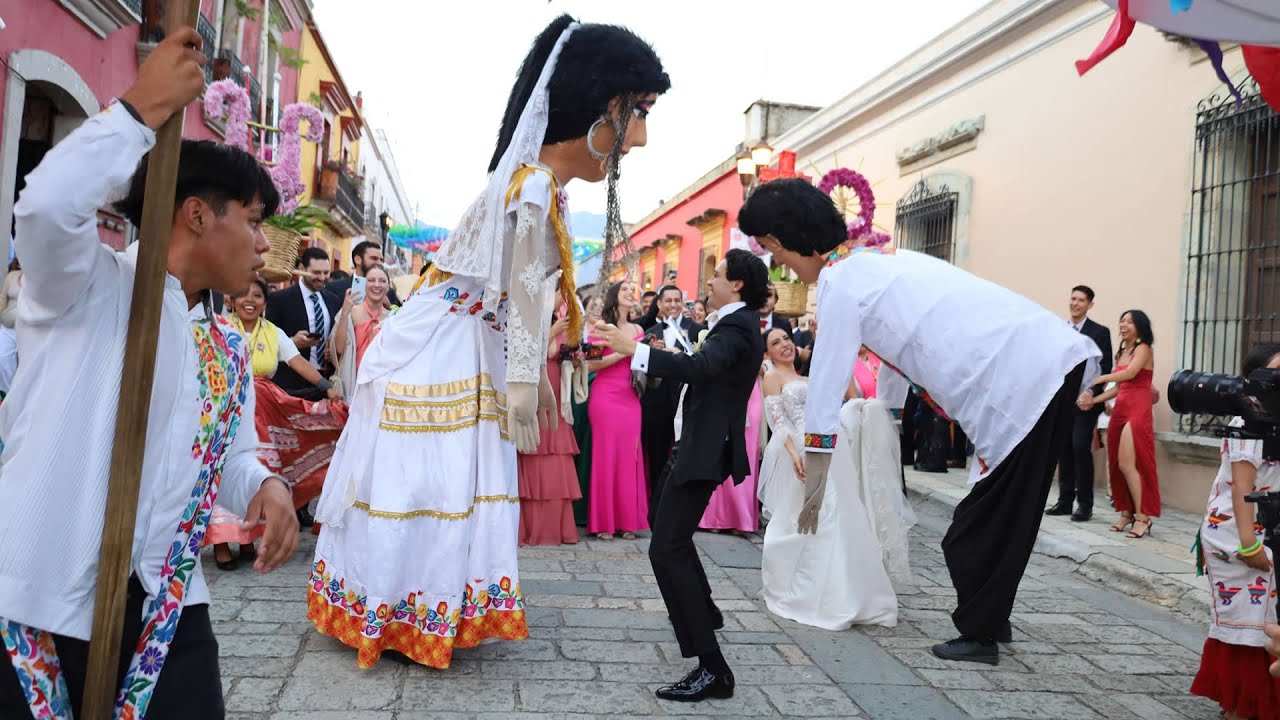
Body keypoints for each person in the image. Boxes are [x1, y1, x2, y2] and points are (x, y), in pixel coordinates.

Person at [307, 14, 669, 669]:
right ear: (597, 110)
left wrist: (527, 380)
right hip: (441, 350)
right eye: (637, 113)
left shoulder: (536, 186)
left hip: (457, 344)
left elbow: (524, 297)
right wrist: (526, 384)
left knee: (436, 484)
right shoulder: (530, 186)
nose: (640, 138)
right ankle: (400, 617)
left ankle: (410, 615)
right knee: (430, 484)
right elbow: (527, 291)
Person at [0, 31, 298, 719]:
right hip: (36, 597)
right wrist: (138, 112)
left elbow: (231, 458)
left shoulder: (227, 345)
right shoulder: (84, 287)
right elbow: (46, 207)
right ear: (197, 214)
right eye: (253, 222)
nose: (264, 246)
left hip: (167, 613)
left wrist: (268, 485)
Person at [741, 178, 1100, 667]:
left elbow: (826, 385)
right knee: (1011, 511)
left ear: (781, 241)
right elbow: (900, 359)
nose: (775, 263)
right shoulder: (878, 263)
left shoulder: (842, 281)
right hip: (1047, 363)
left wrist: (817, 476)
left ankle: (980, 634)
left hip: (1026, 379)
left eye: (769, 249)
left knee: (974, 529)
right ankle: (991, 619)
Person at [594, 248, 768, 702]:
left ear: (737, 286)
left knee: (666, 549)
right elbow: (703, 367)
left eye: (719, 275)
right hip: (696, 446)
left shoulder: (737, 325)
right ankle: (703, 613)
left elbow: (701, 368)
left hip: (704, 452)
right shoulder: (735, 323)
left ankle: (713, 667)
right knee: (668, 534)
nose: (709, 282)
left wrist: (636, 350)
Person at [759, 329, 915, 630]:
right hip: (805, 448)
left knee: (844, 511)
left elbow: (846, 401)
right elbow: (777, 423)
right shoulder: (772, 377)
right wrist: (794, 454)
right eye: (775, 343)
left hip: (834, 444)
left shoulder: (811, 376)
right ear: (768, 353)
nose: (784, 345)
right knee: (817, 514)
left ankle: (852, 589)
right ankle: (819, 589)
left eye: (786, 340)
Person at [206, 277, 343, 570]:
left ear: (265, 303)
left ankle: (245, 538)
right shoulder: (217, 328)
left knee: (257, 472)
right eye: (243, 294)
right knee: (223, 470)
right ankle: (220, 542)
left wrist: (326, 387)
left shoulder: (273, 333)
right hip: (224, 409)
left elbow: (298, 363)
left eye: (257, 295)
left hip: (263, 411)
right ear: (231, 299)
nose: (250, 300)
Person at [1190, 343, 1280, 720]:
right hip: (1238, 530)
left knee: (1266, 619)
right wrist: (1249, 546)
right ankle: (1242, 705)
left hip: (1267, 524)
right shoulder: (1248, 421)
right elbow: (1244, 488)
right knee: (1251, 622)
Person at [1079, 310, 1160, 539]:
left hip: (1137, 409)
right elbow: (1118, 388)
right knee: (1116, 463)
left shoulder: (1143, 349)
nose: (1123, 325)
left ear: (1140, 327)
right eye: (1122, 320)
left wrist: (1101, 377)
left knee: (1128, 464)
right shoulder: (1121, 352)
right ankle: (1126, 512)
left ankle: (1143, 517)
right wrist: (1093, 400)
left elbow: (1131, 374)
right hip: (1121, 408)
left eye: (1129, 322)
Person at [586, 280, 649, 540]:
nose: (630, 293)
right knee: (606, 456)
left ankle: (627, 522)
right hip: (605, 396)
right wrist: (624, 352)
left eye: (632, 290)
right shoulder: (602, 327)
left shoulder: (638, 328)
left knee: (629, 456)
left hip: (630, 396)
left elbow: (642, 364)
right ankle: (603, 523)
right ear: (615, 295)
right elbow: (591, 364)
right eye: (625, 290)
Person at [1046, 285, 1112, 522]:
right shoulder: (1060, 330)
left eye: (1081, 300)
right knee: (1063, 449)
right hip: (1062, 401)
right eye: (1073, 299)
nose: (1075, 303)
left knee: (1080, 447)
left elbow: (1105, 368)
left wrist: (1092, 392)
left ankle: (1084, 504)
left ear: (1089, 305)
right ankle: (1065, 501)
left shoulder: (1100, 332)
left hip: (1086, 401)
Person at [517, 308, 582, 545]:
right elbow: (524, 358)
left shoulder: (564, 324)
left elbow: (561, 355)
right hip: (534, 394)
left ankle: (558, 527)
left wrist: (575, 359)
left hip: (557, 399)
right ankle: (532, 529)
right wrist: (551, 332)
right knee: (533, 456)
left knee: (557, 462)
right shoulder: (527, 318)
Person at [640, 284, 704, 521]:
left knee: (684, 452)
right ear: (659, 304)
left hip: (686, 400)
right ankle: (657, 508)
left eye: (677, 300)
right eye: (668, 301)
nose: (673, 305)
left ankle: (682, 509)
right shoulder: (650, 332)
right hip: (656, 401)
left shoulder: (698, 331)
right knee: (656, 453)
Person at [266, 246, 342, 399]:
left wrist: (330, 351)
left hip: (324, 384)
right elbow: (267, 340)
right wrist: (293, 342)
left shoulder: (333, 300)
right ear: (302, 268)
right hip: (290, 384)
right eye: (316, 273)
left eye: (326, 273)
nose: (322, 277)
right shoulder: (280, 299)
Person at [330, 263, 393, 399]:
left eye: (382, 281)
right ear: (364, 284)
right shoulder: (351, 312)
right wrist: (345, 314)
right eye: (371, 280)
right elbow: (338, 350)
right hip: (353, 382)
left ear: (388, 286)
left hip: (382, 386)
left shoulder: (392, 318)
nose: (377, 285)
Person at [573, 293, 604, 526]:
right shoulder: (577, 331)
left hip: (600, 389)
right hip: (577, 390)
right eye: (593, 305)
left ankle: (587, 507)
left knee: (591, 448)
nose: (597, 309)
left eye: (601, 307)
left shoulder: (607, 331)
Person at [327, 239, 402, 307]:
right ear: (358, 260)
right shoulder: (334, 288)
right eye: (374, 258)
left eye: (381, 260)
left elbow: (400, 317)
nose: (379, 263)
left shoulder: (389, 293)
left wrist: (389, 306)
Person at [0, 258, 21, 396]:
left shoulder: (41, 277)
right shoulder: (12, 277)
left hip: (30, 331)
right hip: (8, 327)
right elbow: (2, 300)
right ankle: (4, 396)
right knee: (3, 359)